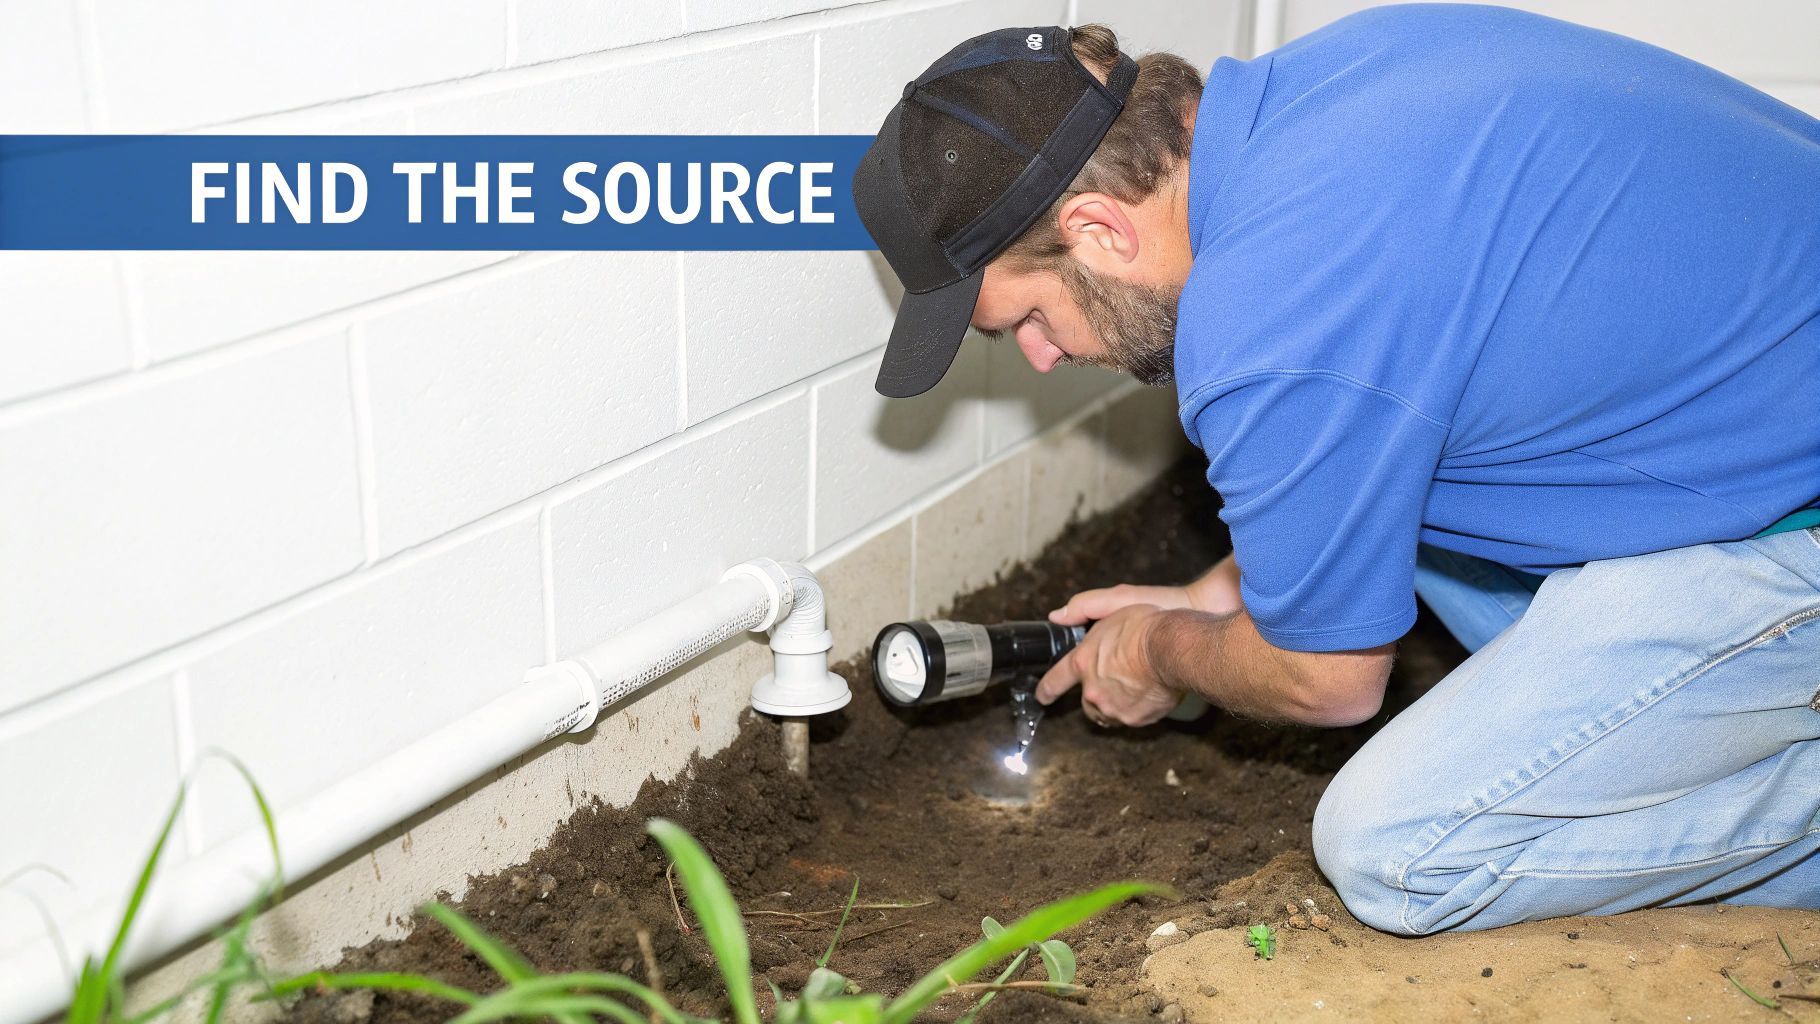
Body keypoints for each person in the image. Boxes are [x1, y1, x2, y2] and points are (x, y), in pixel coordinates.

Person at [850, 5, 1820, 934]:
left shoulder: (1265, 323)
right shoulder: (1346, 72)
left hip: (1789, 524)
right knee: (1403, 499)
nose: (1040, 356)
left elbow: (1330, 680)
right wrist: (1210, 594)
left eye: (1024, 318)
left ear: (1100, 232)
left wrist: (1157, 651)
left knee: (1392, 848)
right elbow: (1368, 417)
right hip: (1747, 424)